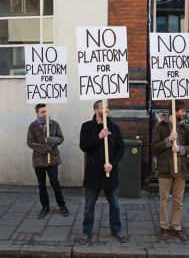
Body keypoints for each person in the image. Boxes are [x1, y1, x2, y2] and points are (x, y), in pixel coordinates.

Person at [79, 100, 126, 245]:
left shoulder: (114, 127)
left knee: (115, 205)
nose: (106, 110)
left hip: (109, 172)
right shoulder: (87, 127)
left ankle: (116, 229)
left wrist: (113, 164)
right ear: (95, 110)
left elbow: (121, 148)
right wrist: (98, 137)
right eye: (103, 107)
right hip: (93, 173)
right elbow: (84, 146)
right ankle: (87, 232)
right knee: (89, 206)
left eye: (107, 107)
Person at [151, 100, 189, 241]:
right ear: (175, 111)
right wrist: (168, 141)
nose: (185, 113)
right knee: (164, 200)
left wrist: (181, 149)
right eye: (182, 111)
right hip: (165, 168)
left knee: (178, 200)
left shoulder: (185, 128)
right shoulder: (160, 126)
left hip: (180, 169)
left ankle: (176, 226)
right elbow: (154, 147)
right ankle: (164, 227)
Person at [27, 104, 69, 219]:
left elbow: (61, 138)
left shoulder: (54, 124)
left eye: (46, 111)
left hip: (52, 159)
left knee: (55, 183)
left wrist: (50, 140)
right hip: (39, 160)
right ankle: (45, 206)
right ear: (37, 113)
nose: (44, 113)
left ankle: (62, 206)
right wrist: (45, 148)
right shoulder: (33, 126)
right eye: (42, 112)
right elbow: (30, 142)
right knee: (41, 185)